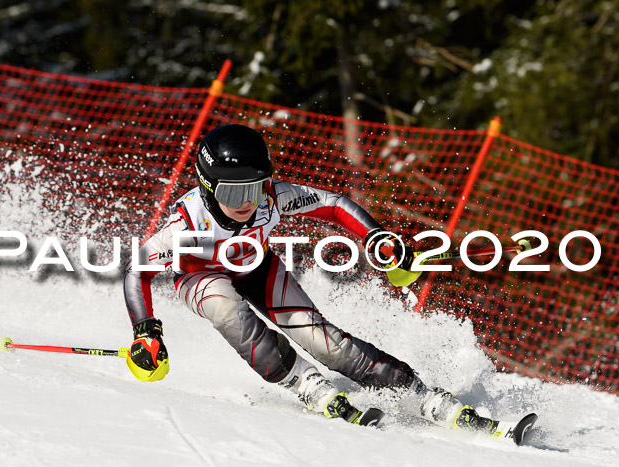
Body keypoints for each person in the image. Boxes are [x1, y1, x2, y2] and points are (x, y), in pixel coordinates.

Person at [124, 123, 486, 430]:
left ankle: (418, 393)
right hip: (199, 276)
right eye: (233, 191)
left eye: (256, 186)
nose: (246, 201)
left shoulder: (274, 199)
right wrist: (145, 330)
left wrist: (375, 237)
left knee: (324, 342)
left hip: (255, 267)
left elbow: (334, 204)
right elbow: (135, 269)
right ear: (208, 187)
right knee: (227, 311)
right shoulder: (185, 228)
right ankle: (302, 381)